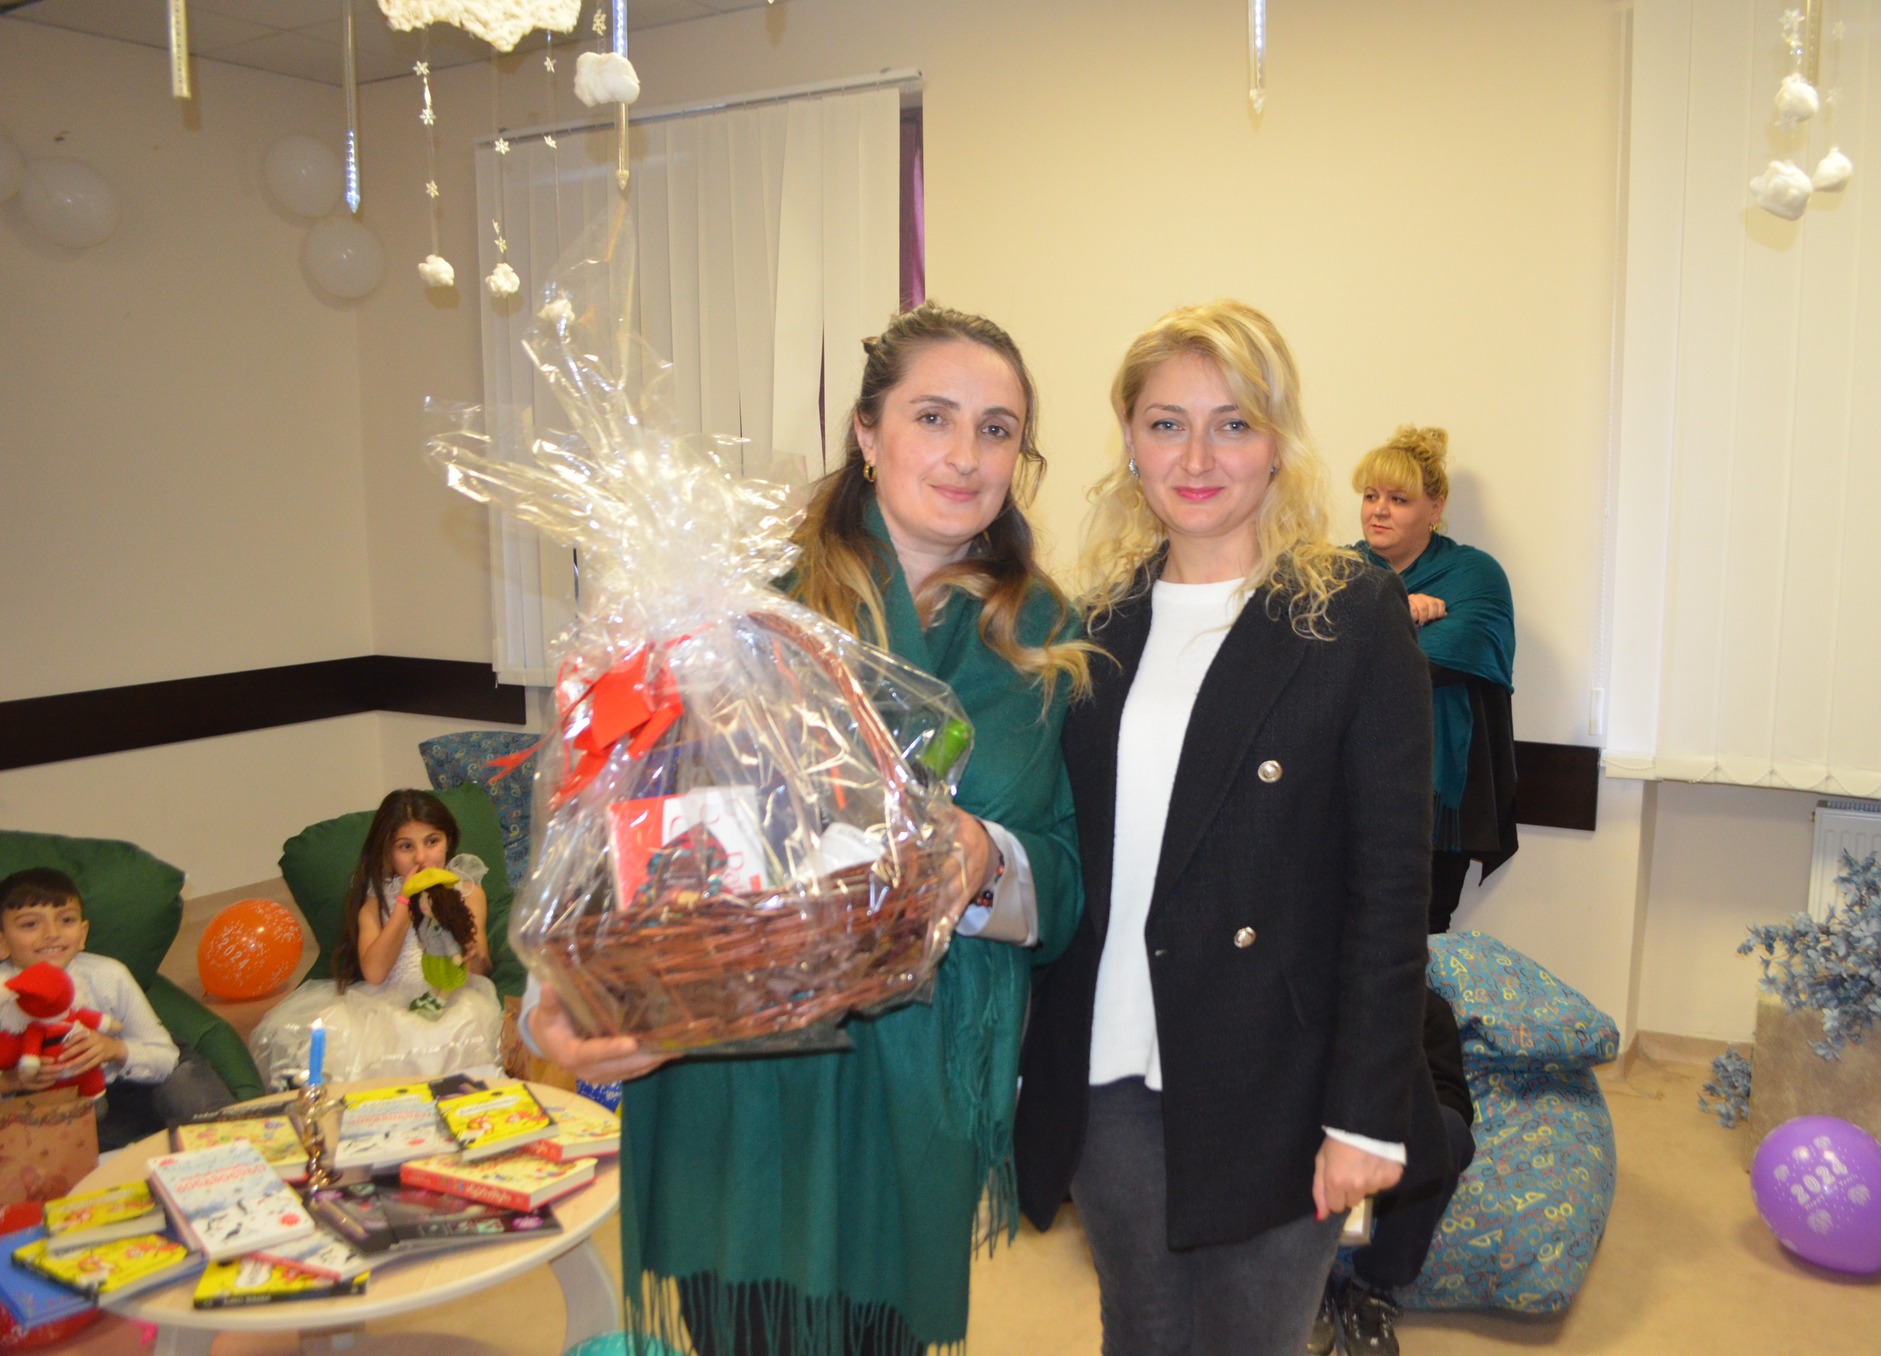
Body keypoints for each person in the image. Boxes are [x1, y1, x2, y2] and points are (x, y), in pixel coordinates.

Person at [524, 302, 1090, 1356]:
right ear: (867, 433)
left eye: (997, 429)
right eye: (933, 417)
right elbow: (617, 828)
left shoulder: (1048, 637)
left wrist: (986, 861)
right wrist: (557, 995)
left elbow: (1066, 868)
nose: (966, 455)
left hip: (920, 1084)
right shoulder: (742, 608)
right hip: (740, 1077)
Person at [1011, 300, 1449, 1356]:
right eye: (1167, 424)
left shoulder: (1349, 616)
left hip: (1276, 1074)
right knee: (1139, 1330)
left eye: (1233, 424)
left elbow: (1391, 889)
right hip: (1111, 1060)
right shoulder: (1092, 620)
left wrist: (1365, 1114)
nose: (1197, 458)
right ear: (1129, 441)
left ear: (1279, 441)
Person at [1353, 426, 1517, 934]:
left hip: (1434, 797)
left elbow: (1421, 666)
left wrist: (1372, 623)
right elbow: (1307, 658)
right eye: (1371, 496)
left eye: (1399, 499)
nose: (1379, 511)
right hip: (1342, 785)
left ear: (1435, 508)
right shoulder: (1337, 571)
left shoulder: (1475, 576)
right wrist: (1398, 610)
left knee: (1418, 936)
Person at [250, 790, 502, 1088]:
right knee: (338, 1038)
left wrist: (472, 953)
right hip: (385, 1005)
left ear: (448, 841)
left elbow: (480, 971)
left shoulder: (468, 893)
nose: (421, 858)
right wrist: (405, 903)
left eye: (432, 841)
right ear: (387, 853)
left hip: (449, 1000)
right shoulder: (375, 902)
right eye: (406, 846)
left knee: (464, 1024)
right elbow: (375, 972)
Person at [0, 867, 234, 1150]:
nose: (52, 933)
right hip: (54, 1098)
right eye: (29, 924)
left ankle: (231, 1152)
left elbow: (163, 1056)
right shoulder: (4, 994)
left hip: (132, 1070)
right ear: (2, 942)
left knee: (193, 1092)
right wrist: (11, 1082)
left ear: (83, 934)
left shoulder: (109, 975)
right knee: (63, 1152)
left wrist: (114, 1049)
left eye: (66, 920)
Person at [1309, 991, 1475, 1355]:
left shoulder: (1430, 1010)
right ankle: (1307, 1287)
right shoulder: (1314, 998)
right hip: (1323, 1145)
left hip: (1400, 1151)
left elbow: (1453, 1099)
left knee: (1450, 1129)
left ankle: (1372, 1290)